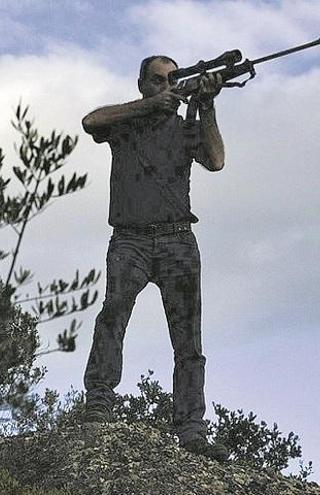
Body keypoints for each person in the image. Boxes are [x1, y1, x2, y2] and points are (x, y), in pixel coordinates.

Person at [80, 55, 230, 462]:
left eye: (172, 80)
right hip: (129, 239)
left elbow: (215, 160)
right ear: (143, 84)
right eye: (159, 81)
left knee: (188, 340)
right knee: (113, 316)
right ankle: (99, 401)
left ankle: (191, 428)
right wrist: (147, 107)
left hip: (177, 238)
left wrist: (208, 103)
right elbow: (91, 121)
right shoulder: (126, 123)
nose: (167, 86)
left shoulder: (184, 128)